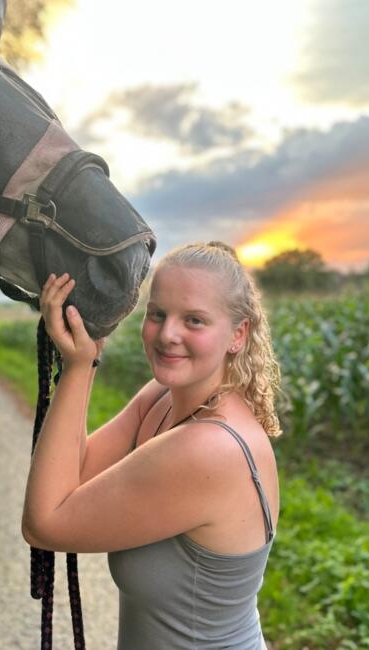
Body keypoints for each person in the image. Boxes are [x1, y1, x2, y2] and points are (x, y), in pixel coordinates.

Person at [22, 241, 282, 649]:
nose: (167, 334)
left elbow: (44, 524)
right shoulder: (162, 399)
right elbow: (77, 471)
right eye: (157, 314)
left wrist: (74, 370)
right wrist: (87, 358)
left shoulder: (209, 449)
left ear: (238, 334)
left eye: (194, 320)